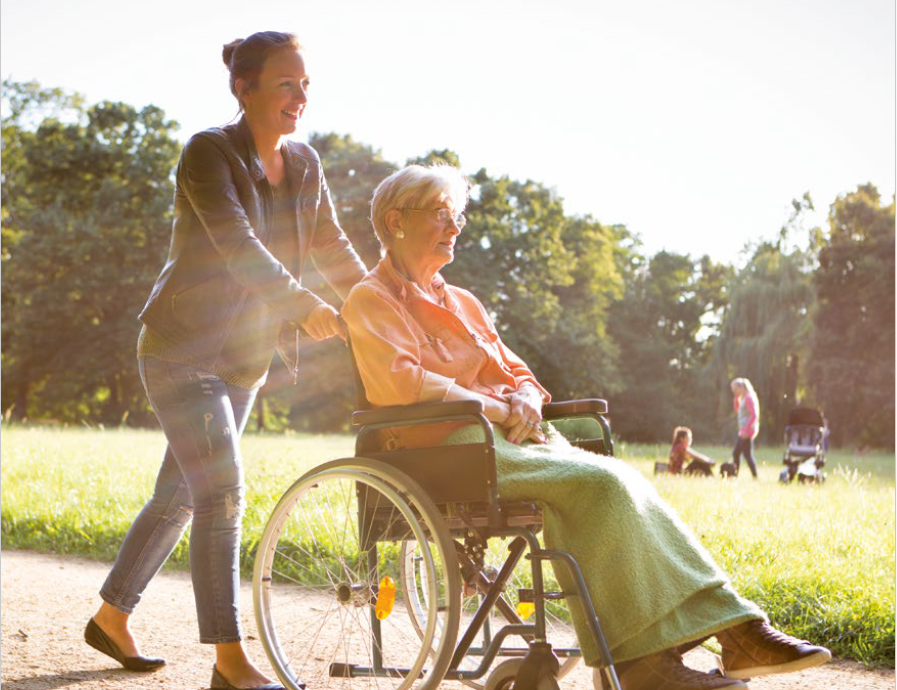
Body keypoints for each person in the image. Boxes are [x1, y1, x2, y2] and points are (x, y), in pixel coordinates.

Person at [341, 164, 831, 690]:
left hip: (506, 436)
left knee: (622, 481)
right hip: (449, 446)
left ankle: (729, 632)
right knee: (602, 484)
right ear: (395, 221)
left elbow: (518, 371)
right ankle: (654, 661)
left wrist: (526, 395)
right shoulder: (370, 300)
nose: (455, 227)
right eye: (441, 215)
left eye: (456, 214)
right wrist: (499, 408)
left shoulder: (463, 301)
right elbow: (403, 384)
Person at [85, 32, 366, 690]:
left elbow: (331, 243)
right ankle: (229, 661)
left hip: (243, 360)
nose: (299, 98)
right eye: (284, 84)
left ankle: (109, 617)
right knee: (222, 495)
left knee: (179, 495)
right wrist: (302, 305)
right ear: (244, 89)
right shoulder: (208, 153)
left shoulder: (304, 164)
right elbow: (237, 244)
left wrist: (381, 302)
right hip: (182, 351)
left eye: (304, 85)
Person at [730, 378, 760, 478]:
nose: (734, 391)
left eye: (735, 389)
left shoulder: (748, 398)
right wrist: (736, 398)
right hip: (743, 430)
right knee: (737, 453)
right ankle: (735, 474)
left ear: (741, 387)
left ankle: (754, 476)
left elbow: (754, 415)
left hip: (747, 431)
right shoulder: (744, 398)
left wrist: (746, 429)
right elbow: (738, 410)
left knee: (746, 455)